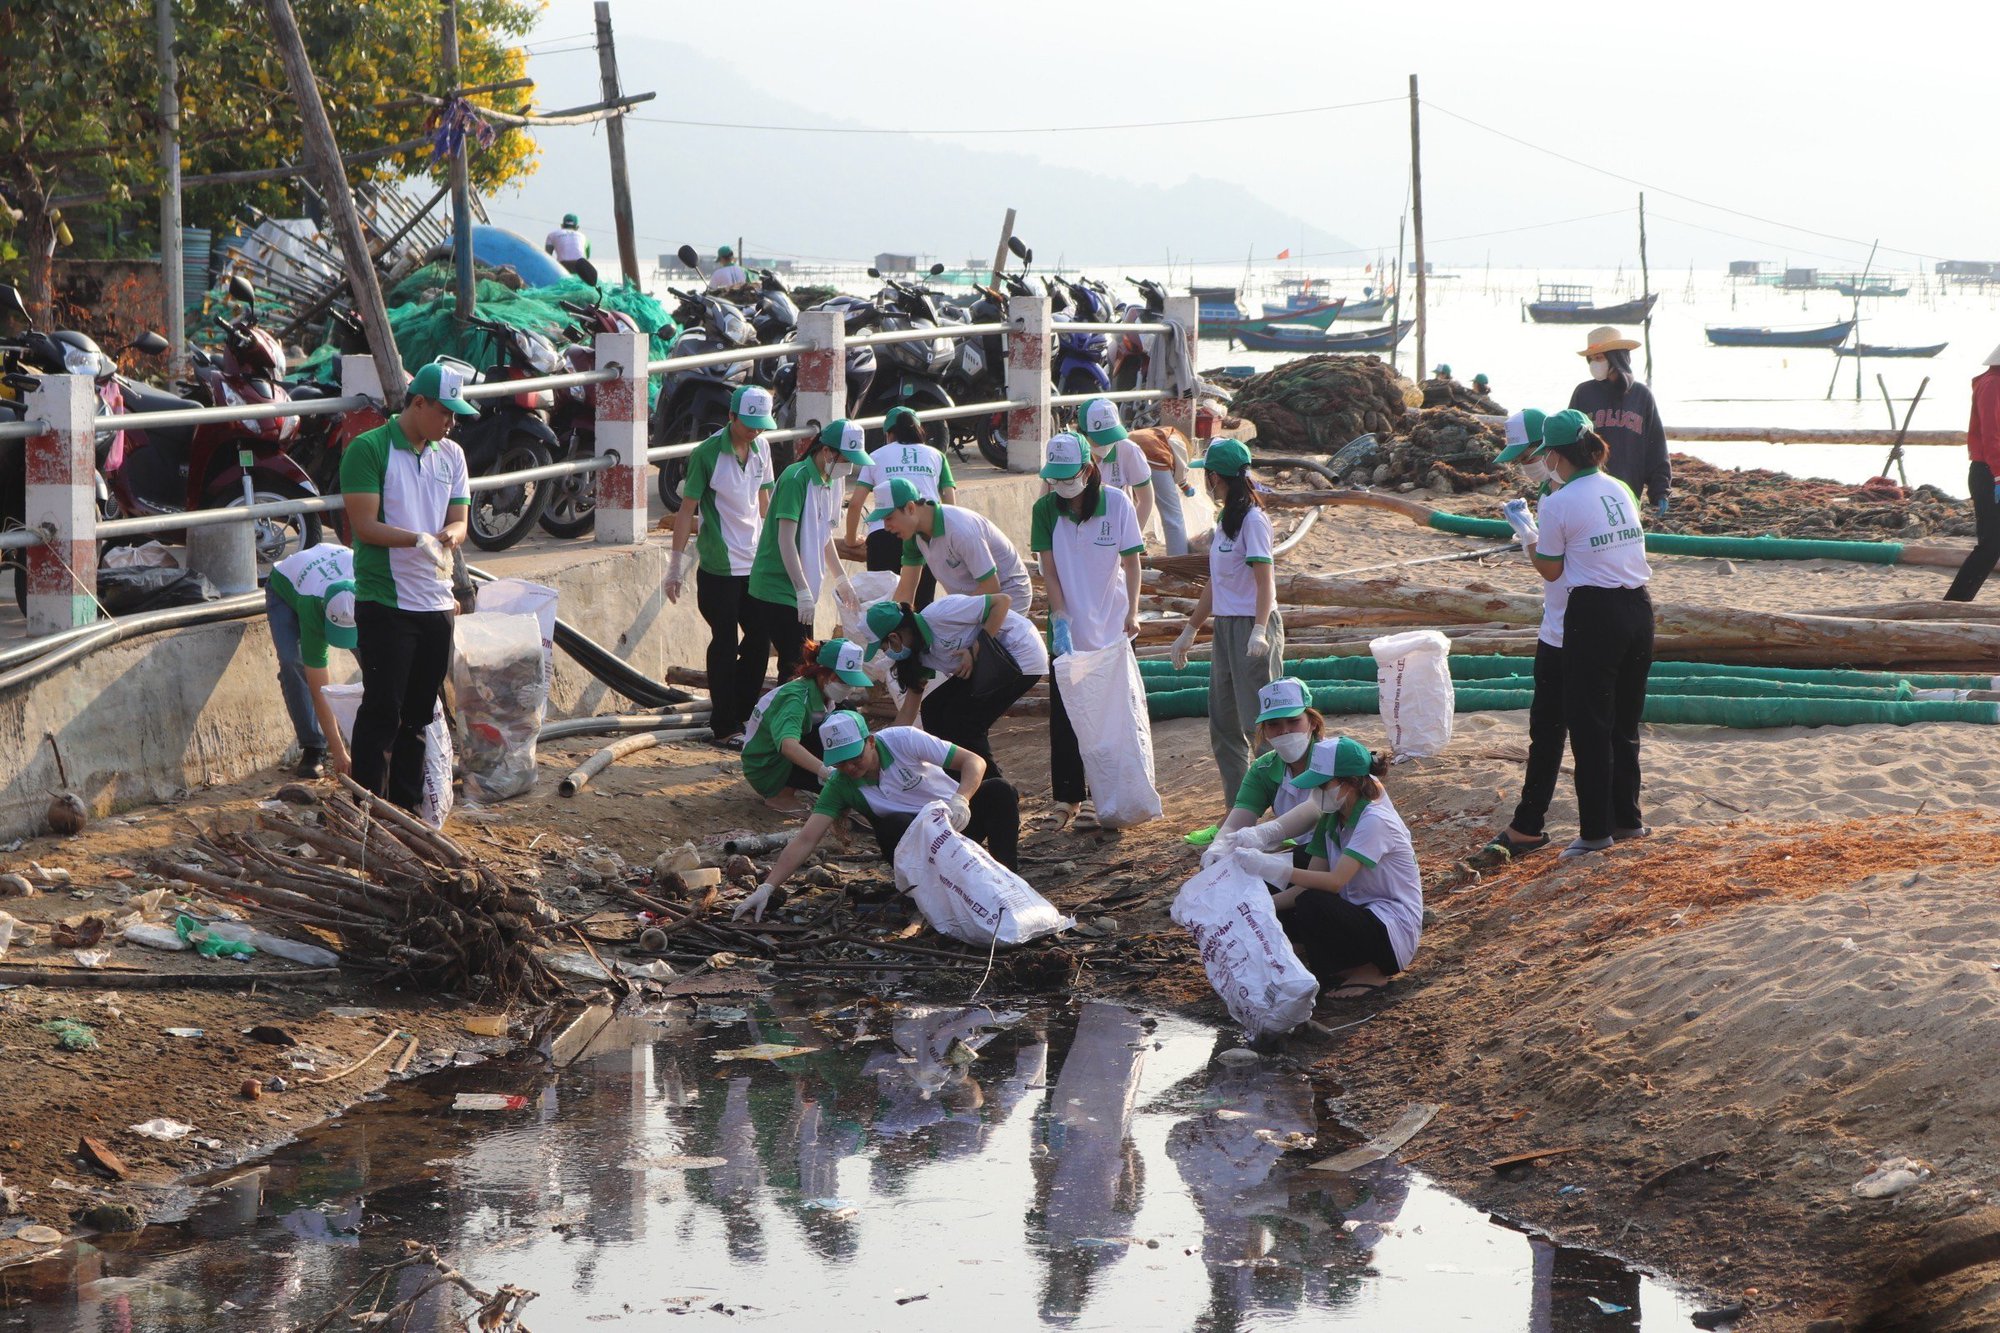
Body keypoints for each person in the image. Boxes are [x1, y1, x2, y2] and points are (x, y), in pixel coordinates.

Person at [733, 709, 1022, 920]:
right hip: (918, 846)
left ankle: (1007, 875)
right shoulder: (840, 784)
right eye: (841, 763)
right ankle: (922, 895)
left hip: (956, 822)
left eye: (856, 758)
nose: (851, 768)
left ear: (870, 742)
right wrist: (768, 886)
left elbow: (973, 761)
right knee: (893, 824)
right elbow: (807, 838)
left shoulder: (902, 740)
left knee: (1000, 791)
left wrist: (962, 799)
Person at [338, 361, 473, 810]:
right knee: (382, 712)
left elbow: (459, 520)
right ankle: (366, 809)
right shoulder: (369, 449)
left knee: (417, 717)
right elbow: (364, 526)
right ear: (418, 403)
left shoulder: (450, 455)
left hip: (435, 604)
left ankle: (408, 812)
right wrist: (416, 539)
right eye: (445, 413)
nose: (451, 423)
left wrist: (448, 538)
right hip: (386, 602)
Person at [1522, 408, 1655, 859]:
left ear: (1557, 455)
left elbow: (1552, 569)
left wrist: (1528, 541)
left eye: (1549, 456)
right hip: (1639, 606)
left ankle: (1596, 831)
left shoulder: (1559, 502)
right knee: (1624, 722)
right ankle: (1627, 819)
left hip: (1594, 612)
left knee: (1589, 726)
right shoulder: (1618, 486)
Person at [1208, 736, 1422, 1000]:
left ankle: (1369, 970)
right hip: (1359, 911)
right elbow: (1309, 880)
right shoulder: (1332, 817)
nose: (1316, 793)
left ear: (1351, 783)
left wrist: (1270, 866)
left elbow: (1334, 882)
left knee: (1312, 901)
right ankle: (1311, 956)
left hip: (1390, 928)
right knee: (1280, 894)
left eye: (1322, 785)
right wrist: (1257, 906)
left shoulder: (1374, 821)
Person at [1032, 432, 1145, 823]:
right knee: (1065, 713)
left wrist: (1133, 611)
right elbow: (1049, 569)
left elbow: (1132, 563)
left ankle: (1103, 795)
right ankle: (1068, 796)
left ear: (1087, 469)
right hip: (1068, 625)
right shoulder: (1045, 509)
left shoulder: (1116, 504)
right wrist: (1060, 617)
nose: (1062, 486)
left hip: (1111, 624)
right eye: (1056, 478)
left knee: (1109, 712)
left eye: (1068, 477)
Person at [1475, 409, 1572, 861]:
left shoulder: (1566, 495)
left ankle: (1531, 825)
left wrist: (1527, 535)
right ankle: (1532, 823)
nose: (1524, 465)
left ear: (1550, 449)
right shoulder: (1554, 489)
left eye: (1529, 455)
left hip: (1572, 627)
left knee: (1557, 729)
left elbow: (1553, 567)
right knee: (1555, 730)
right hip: (1563, 620)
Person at [1168, 439, 1283, 803]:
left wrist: (1261, 630)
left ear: (1215, 476)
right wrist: (1190, 630)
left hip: (1253, 626)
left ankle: (1286, 813)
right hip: (1226, 627)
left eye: (1208, 476)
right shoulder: (1225, 521)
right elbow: (1216, 585)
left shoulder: (1254, 520)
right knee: (1224, 724)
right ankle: (1239, 811)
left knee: (1262, 725)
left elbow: (1265, 580)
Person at [665, 383, 777, 746]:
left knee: (760, 640)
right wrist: (675, 565)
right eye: (749, 424)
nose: (755, 430)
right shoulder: (707, 454)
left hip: (755, 564)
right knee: (725, 641)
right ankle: (723, 723)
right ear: (731, 417)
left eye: (761, 424)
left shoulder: (762, 448)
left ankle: (743, 713)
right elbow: (686, 512)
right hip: (719, 566)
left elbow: (765, 503)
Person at [865, 592, 1048, 774]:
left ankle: (991, 788)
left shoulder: (941, 614)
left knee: (965, 721)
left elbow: (1002, 601)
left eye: (884, 648)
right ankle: (956, 781)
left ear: (894, 638)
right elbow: (908, 713)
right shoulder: (917, 655)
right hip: (990, 666)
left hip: (1021, 655)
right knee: (933, 709)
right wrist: (877, 747)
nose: (886, 653)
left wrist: (975, 649)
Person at [748, 418, 868, 683]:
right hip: (777, 586)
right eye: (846, 459)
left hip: (802, 588)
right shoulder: (796, 479)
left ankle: (793, 718)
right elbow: (785, 540)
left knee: (803, 662)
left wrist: (841, 579)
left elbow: (823, 535)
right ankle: (776, 720)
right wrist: (801, 590)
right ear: (826, 451)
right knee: (794, 665)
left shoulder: (831, 482)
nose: (849, 467)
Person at [739, 638, 873, 811]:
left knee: (847, 715)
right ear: (823, 673)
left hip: (782, 761)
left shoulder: (825, 694)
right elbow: (788, 746)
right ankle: (781, 796)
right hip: (768, 768)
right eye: (844, 681)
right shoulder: (795, 699)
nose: (850, 688)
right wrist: (827, 772)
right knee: (834, 733)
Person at [265, 541, 360, 779]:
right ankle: (313, 746)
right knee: (292, 663)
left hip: (333, 565)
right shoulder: (312, 606)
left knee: (378, 662)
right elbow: (320, 690)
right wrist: (339, 753)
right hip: (286, 586)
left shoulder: (371, 584)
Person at [844, 405, 955, 605]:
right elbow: (950, 502)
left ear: (888, 433)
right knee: (923, 606)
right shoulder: (937, 455)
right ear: (918, 430)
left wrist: (851, 540)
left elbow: (855, 504)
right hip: (926, 535)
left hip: (884, 533)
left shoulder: (876, 456)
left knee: (883, 608)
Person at [870, 477, 1032, 612]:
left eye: (889, 518)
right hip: (971, 599)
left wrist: (949, 613)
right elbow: (905, 592)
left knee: (976, 647)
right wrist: (892, 623)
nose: (886, 527)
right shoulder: (913, 536)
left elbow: (991, 587)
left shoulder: (960, 530)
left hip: (1010, 595)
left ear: (910, 508)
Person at [1215, 676, 1326, 864]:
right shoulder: (1263, 769)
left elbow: (1315, 810)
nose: (1284, 731)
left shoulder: (1335, 758)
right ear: (1264, 730)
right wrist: (1219, 847)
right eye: (1273, 724)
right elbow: (1237, 821)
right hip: (1313, 855)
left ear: (1313, 722)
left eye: (1293, 721)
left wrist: (1265, 833)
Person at [1567, 325, 1669, 517]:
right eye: (1591, 359)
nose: (1594, 364)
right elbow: (1568, 440)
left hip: (1629, 490)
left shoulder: (1642, 395)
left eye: (1599, 358)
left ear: (1616, 357)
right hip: (1588, 490)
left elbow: (1656, 446)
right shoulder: (1583, 393)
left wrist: (1660, 489)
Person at [1944, 345, 2000, 602]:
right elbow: (1992, 436)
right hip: (1990, 473)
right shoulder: (1992, 384)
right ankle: (1954, 602)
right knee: (1990, 546)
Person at [1077, 398, 1155, 535]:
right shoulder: (1071, 453)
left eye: (1111, 437)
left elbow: (1146, 500)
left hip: (1117, 528)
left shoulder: (1128, 450)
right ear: (1084, 434)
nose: (1107, 443)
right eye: (1100, 438)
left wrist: (1131, 538)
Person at [1130, 424, 1195, 556]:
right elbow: (1180, 468)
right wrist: (1185, 486)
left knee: (1130, 509)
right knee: (1172, 515)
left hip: (1126, 451)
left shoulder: (1157, 433)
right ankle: (1178, 563)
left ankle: (1135, 552)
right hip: (1153, 456)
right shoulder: (1178, 440)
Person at [543, 214, 597, 286]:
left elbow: (547, 256)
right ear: (577, 227)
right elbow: (585, 260)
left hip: (563, 266)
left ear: (562, 226)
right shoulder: (584, 237)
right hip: (580, 269)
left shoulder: (551, 235)